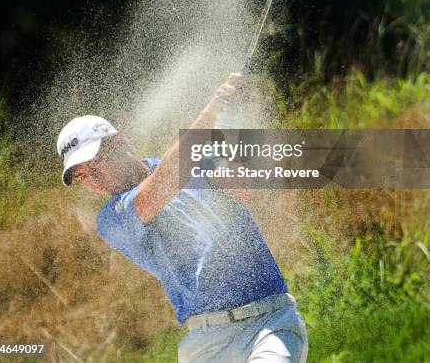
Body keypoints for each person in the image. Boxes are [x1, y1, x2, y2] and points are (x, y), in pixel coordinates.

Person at [57, 73, 308, 362]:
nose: (94, 180)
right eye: (82, 175)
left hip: (268, 324)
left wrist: (229, 117)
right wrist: (212, 110)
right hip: (205, 344)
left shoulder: (191, 164)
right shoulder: (112, 219)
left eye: (96, 162)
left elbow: (244, 187)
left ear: (120, 141)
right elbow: (162, 184)